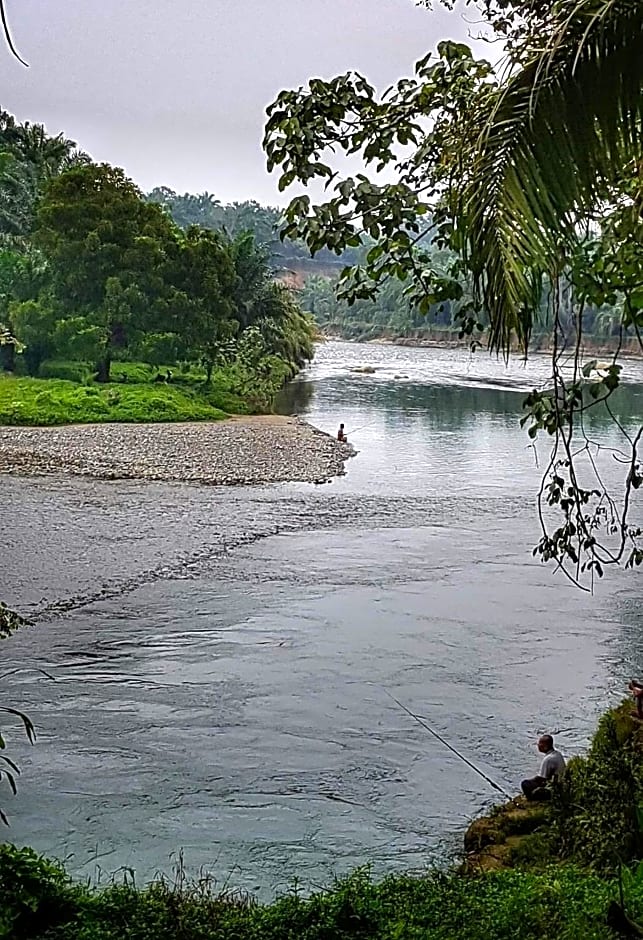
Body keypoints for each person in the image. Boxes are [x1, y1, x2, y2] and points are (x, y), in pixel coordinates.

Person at [521, 734, 565, 801]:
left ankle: (531, 799)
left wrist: (531, 781)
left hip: (553, 789)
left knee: (525, 784)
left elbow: (542, 779)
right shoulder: (558, 754)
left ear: (545, 746)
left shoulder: (548, 759)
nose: (538, 745)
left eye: (540, 744)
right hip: (561, 784)